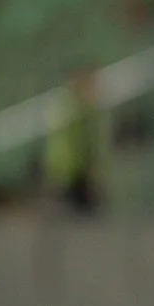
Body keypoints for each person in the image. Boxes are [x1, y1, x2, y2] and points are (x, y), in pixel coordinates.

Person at [41, 66, 109, 215]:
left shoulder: (67, 107)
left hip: (66, 173)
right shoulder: (73, 110)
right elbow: (78, 146)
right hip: (70, 174)